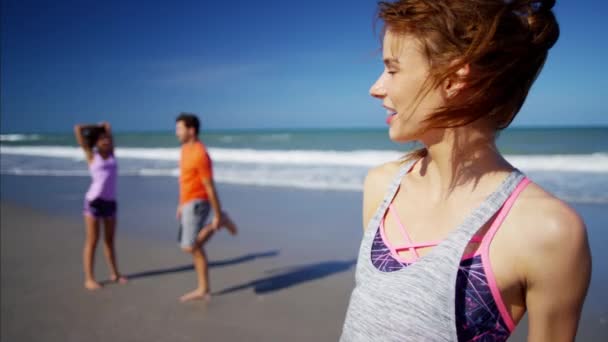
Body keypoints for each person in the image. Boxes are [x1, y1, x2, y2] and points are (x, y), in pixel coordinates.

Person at [340, 1, 591, 341]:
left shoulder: (548, 233)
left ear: (454, 79)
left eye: (393, 69)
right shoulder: (382, 186)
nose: (376, 87)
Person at [175, 113, 237, 302]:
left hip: (198, 202)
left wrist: (217, 214)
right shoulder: (185, 149)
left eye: (179, 128)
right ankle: (203, 289)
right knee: (193, 247)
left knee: (190, 246)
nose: (176, 132)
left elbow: (210, 187)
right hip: (187, 202)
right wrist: (180, 203)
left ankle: (219, 222)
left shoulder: (200, 154)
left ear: (191, 130)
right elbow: (185, 179)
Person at [74, 122, 127, 290]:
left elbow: (108, 126)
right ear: (95, 142)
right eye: (101, 139)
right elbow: (77, 129)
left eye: (107, 139)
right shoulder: (91, 155)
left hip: (110, 202)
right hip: (94, 202)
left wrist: (105, 128)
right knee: (93, 240)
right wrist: (94, 127)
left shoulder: (112, 154)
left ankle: (115, 274)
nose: (105, 141)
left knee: (109, 241)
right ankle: (89, 279)